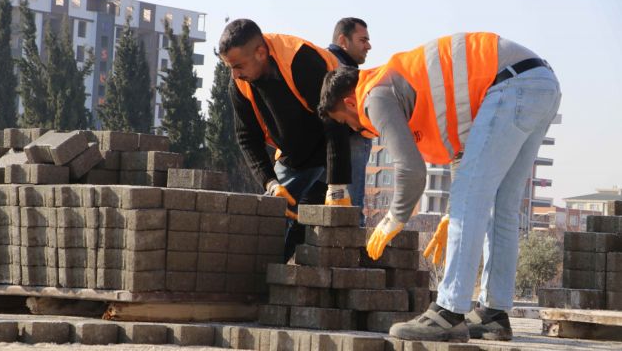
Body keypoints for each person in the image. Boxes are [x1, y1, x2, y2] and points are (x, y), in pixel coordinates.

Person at [318, 32, 561, 342]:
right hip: (539, 83)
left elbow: (411, 169)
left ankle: (448, 311)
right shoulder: (408, 88)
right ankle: (493, 315)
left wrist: (393, 219)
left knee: (474, 200)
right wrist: (451, 213)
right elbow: (464, 155)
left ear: (349, 101)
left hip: (511, 83)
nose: (359, 128)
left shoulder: (373, 94)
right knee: (502, 206)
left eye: (349, 121)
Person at [218, 19, 353, 262]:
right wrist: (270, 183)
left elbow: (335, 120)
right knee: (272, 219)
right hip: (294, 151)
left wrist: (338, 185)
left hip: (340, 139)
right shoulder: (239, 83)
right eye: (230, 67)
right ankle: (268, 283)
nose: (234, 74)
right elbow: (247, 137)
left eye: (238, 65)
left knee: (320, 225)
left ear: (261, 52)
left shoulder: (301, 60)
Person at [327, 17, 373, 226]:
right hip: (350, 144)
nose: (369, 46)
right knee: (350, 216)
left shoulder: (327, 62)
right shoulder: (343, 71)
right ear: (343, 40)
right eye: (363, 40)